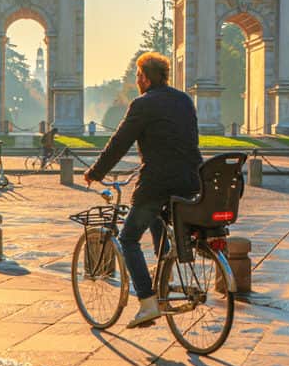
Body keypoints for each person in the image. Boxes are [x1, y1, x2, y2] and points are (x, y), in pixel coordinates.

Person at [84, 51, 202, 328]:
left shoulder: (143, 104)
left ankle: (148, 303)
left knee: (128, 239)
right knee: (161, 226)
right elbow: (187, 140)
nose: (136, 80)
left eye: (138, 76)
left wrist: (96, 172)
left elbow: (120, 142)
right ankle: (164, 275)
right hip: (191, 179)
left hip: (158, 182)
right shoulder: (184, 100)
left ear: (146, 78)